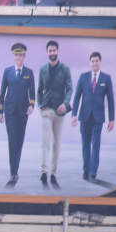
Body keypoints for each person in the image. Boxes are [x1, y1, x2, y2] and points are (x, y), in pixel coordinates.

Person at [71, 51, 115, 183]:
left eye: (97, 61)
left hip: (98, 118)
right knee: (85, 145)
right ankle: (86, 170)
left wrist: (111, 119)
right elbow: (77, 97)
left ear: (100, 62)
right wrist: (74, 114)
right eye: (93, 61)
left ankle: (93, 172)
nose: (95, 63)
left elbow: (111, 100)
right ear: (90, 63)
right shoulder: (83, 77)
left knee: (95, 145)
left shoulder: (106, 78)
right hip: (84, 116)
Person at [0, 42, 35, 187]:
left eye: (20, 55)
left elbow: (32, 92)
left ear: (24, 56)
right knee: (12, 140)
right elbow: (2, 93)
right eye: (16, 55)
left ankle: (16, 169)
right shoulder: (7, 72)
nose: (18, 57)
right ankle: (13, 173)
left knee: (19, 141)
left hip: (23, 112)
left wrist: (31, 105)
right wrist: (0, 111)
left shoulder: (28, 72)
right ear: (13, 56)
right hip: (10, 111)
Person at [37, 39, 72, 187]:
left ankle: (53, 174)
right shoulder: (43, 69)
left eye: (54, 50)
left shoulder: (65, 69)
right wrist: (39, 105)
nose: (52, 53)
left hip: (59, 111)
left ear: (58, 51)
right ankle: (44, 172)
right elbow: (39, 90)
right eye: (50, 50)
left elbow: (70, 88)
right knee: (45, 142)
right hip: (46, 110)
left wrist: (65, 103)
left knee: (57, 143)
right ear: (47, 53)